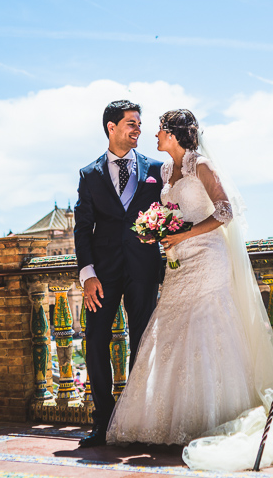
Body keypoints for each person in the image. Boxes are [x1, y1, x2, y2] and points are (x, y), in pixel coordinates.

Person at [107, 109, 273, 471]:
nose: (153, 135)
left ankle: (212, 419)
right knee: (171, 336)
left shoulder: (201, 165)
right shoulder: (165, 171)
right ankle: (170, 421)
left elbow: (225, 211)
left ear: (173, 135)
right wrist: (156, 231)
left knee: (208, 333)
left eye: (158, 130)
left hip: (208, 260)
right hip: (178, 263)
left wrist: (184, 234)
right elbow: (172, 213)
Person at [74, 100, 164, 447]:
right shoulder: (89, 174)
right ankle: (104, 422)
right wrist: (88, 274)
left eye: (139, 124)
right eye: (131, 123)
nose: (138, 129)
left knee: (142, 344)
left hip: (144, 268)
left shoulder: (156, 168)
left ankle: (137, 419)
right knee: (96, 341)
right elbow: (83, 228)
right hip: (103, 275)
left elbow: (171, 210)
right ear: (111, 127)